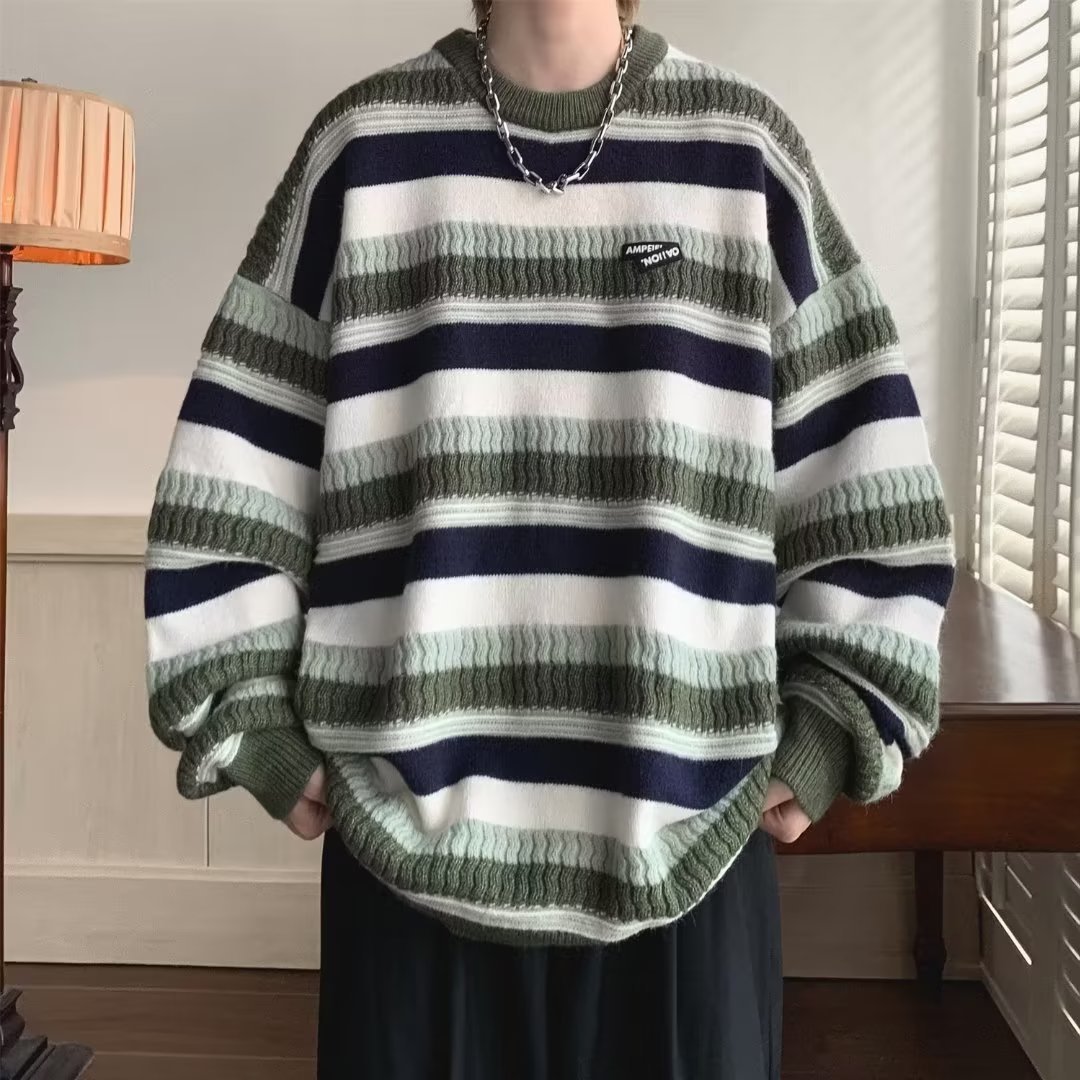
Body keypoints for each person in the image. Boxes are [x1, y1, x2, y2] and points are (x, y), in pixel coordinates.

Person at [143, 1, 955, 1077]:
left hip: (690, 837)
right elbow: (239, 454)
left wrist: (834, 721)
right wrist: (248, 715)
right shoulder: (364, 151)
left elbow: (865, 466)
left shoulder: (743, 152)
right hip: (404, 847)